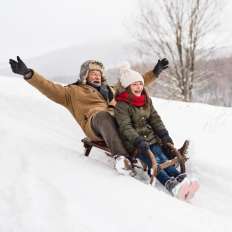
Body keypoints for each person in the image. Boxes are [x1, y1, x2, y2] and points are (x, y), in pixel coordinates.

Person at [9, 56, 169, 175]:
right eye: (93, 73)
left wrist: (155, 73)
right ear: (84, 75)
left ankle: (163, 149)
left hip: (118, 121)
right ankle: (122, 158)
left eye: (99, 73)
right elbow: (48, 87)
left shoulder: (111, 89)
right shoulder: (72, 92)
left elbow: (133, 84)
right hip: (95, 123)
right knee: (104, 116)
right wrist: (29, 74)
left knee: (137, 113)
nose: (97, 76)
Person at [114, 63, 199, 200]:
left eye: (140, 84)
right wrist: (137, 140)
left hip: (151, 139)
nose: (138, 87)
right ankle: (169, 183)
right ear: (127, 87)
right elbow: (126, 127)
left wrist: (164, 135)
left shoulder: (146, 100)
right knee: (154, 162)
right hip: (135, 143)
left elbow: (155, 118)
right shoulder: (122, 105)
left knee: (162, 157)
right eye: (134, 84)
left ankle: (180, 178)